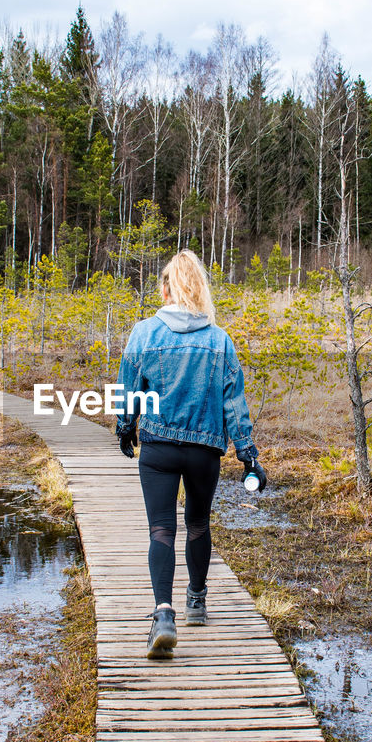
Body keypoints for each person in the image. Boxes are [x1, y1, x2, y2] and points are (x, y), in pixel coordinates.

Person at [114, 249, 267, 659]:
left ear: (166, 288)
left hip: (159, 448)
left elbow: (128, 389)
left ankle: (163, 615)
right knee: (198, 523)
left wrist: (125, 427)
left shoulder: (143, 333)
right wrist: (248, 456)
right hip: (204, 452)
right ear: (199, 288)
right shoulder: (219, 341)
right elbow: (235, 404)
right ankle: (196, 602)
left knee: (161, 530)